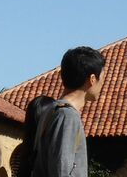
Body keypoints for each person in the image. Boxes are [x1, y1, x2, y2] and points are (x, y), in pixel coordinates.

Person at [33, 47, 105, 177]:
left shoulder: (52, 110)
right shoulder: (67, 116)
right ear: (92, 79)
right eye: (102, 79)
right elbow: (62, 171)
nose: (102, 85)